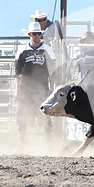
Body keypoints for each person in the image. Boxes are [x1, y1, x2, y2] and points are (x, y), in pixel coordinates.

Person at [14, 22, 57, 154]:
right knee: (22, 116)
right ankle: (20, 144)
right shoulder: (22, 51)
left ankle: (51, 145)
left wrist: (51, 89)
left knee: (45, 117)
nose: (37, 36)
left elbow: (52, 72)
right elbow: (17, 73)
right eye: (34, 33)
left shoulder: (48, 50)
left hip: (42, 89)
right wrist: (17, 90)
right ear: (29, 35)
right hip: (26, 89)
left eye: (39, 33)